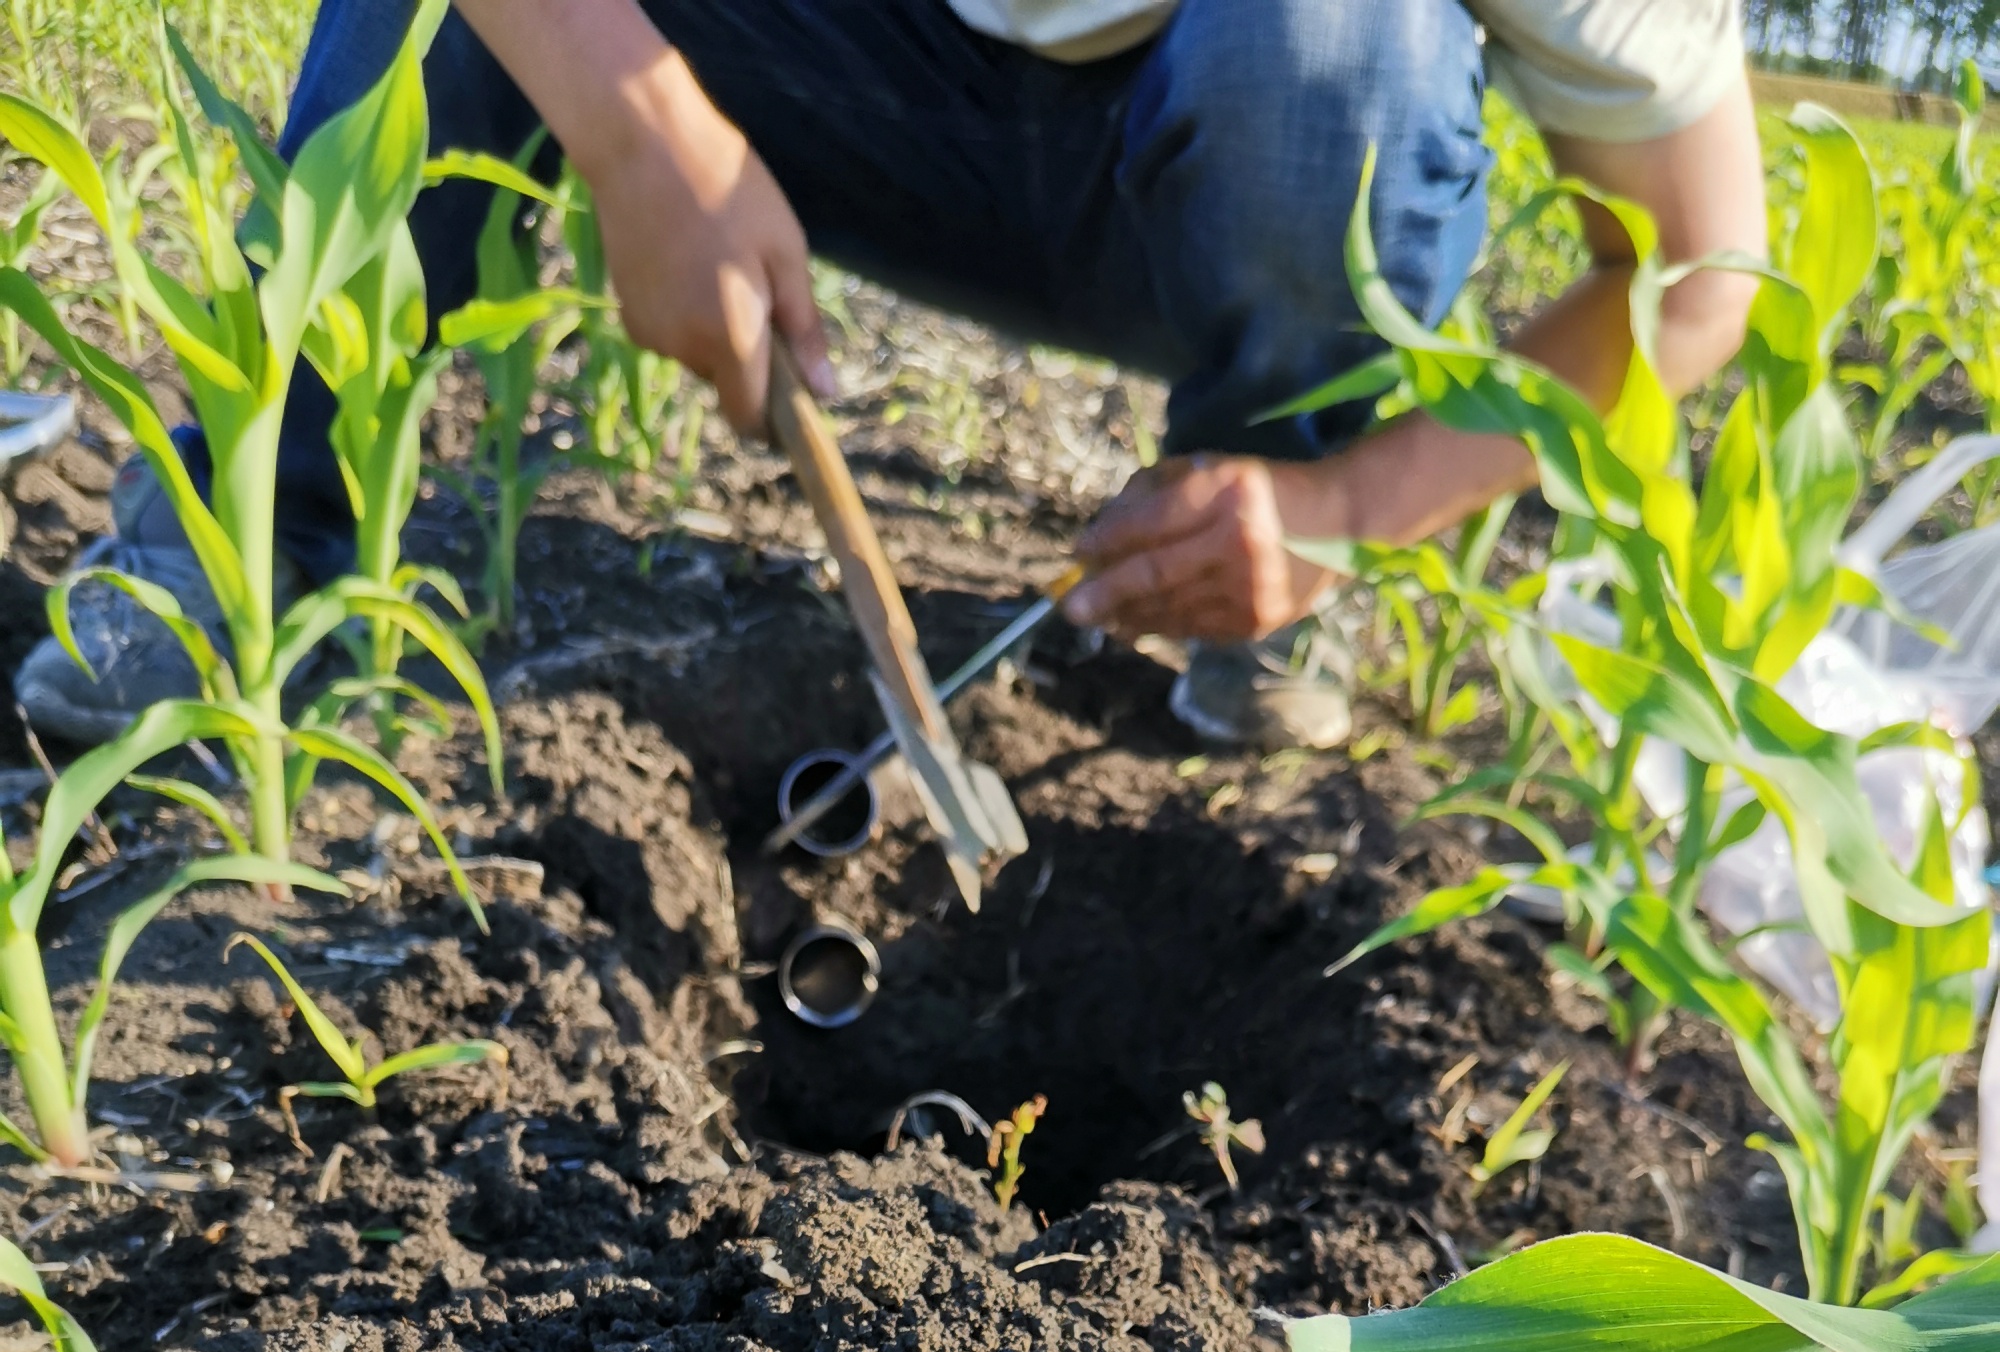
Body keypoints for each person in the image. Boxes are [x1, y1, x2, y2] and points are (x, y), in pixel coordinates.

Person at [18, 0, 1766, 753]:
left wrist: (1348, 503)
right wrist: (639, 133)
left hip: (1205, 164)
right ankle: (269, 535)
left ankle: (1253, 556)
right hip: (828, 79)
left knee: (1330, 53)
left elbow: (1694, 277)